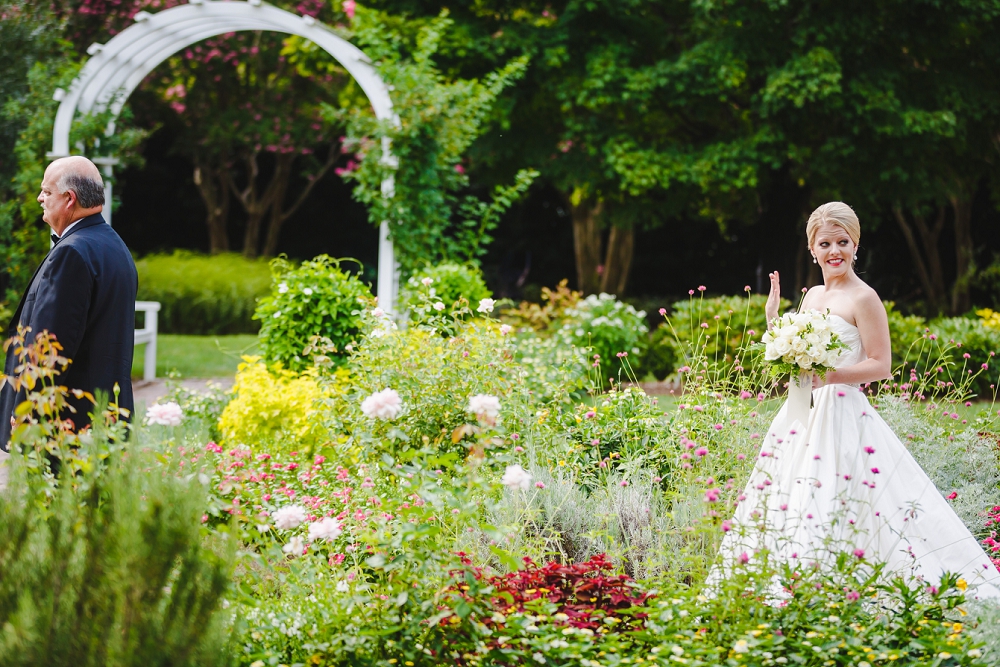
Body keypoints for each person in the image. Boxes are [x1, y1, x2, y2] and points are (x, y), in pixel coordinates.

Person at [718, 201, 999, 597]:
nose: (835, 251)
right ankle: (791, 585)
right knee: (792, 496)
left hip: (843, 413)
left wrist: (829, 377)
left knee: (841, 496)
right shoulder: (812, 295)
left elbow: (881, 365)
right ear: (812, 249)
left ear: (856, 245)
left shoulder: (864, 298)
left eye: (843, 242)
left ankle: (846, 585)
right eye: (825, 243)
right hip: (802, 413)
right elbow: (797, 358)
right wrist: (773, 321)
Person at [0, 156, 138, 452]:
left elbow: (51, 345)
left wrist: (26, 410)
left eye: (46, 192)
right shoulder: (115, 246)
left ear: (69, 199)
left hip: (67, 425)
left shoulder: (72, 253)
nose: (40, 198)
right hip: (106, 416)